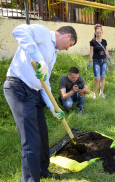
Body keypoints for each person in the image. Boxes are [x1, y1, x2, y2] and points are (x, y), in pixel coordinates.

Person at [3, 24, 77, 182]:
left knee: (42, 135)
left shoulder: (53, 52)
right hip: (19, 88)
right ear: (67, 36)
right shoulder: (43, 33)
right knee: (31, 140)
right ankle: (30, 179)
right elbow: (18, 31)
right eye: (70, 45)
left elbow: (44, 82)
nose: (67, 49)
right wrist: (39, 59)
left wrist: (52, 107)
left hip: (34, 93)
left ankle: (42, 168)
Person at [87, 24, 114, 99]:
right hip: (96, 62)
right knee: (97, 78)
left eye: (100, 33)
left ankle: (101, 93)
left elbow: (106, 51)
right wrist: (89, 62)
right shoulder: (92, 42)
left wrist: (110, 59)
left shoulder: (104, 41)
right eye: (97, 33)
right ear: (95, 33)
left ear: (102, 32)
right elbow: (91, 52)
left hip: (104, 62)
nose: (99, 34)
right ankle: (94, 93)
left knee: (103, 78)